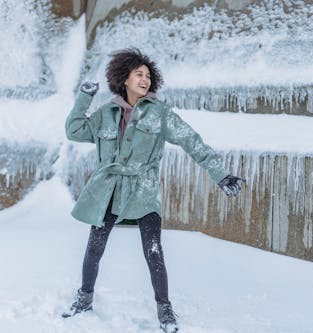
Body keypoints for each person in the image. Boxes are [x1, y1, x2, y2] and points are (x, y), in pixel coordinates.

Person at [62, 48, 245, 333]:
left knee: (154, 251)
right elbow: (74, 131)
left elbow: (191, 141)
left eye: (148, 75)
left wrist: (221, 175)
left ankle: (165, 309)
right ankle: (84, 299)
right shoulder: (106, 114)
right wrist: (84, 97)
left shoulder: (159, 114)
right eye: (139, 74)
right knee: (95, 248)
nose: (145, 79)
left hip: (143, 191)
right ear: (124, 78)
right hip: (108, 190)